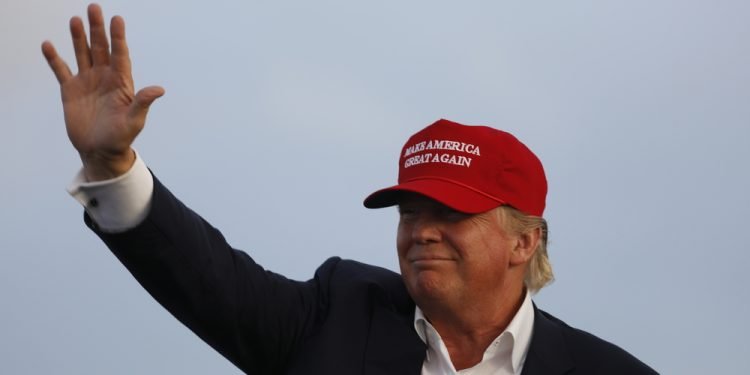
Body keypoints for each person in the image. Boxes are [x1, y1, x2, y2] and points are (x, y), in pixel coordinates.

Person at [43, 4, 657, 374]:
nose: (421, 232)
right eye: (409, 211)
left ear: (524, 241)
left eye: (450, 211)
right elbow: (208, 280)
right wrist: (112, 163)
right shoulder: (336, 317)